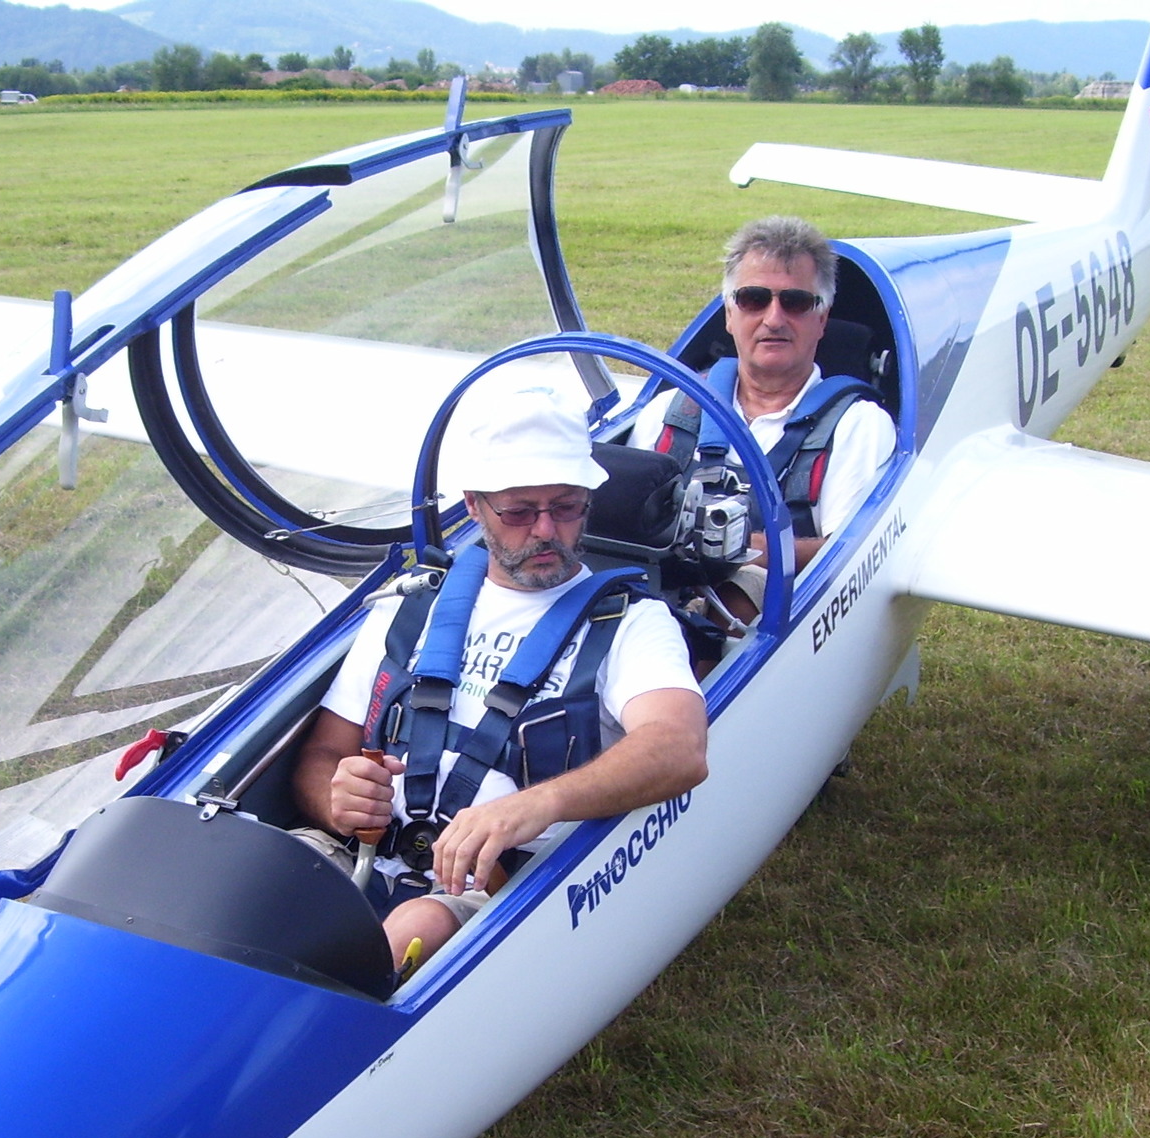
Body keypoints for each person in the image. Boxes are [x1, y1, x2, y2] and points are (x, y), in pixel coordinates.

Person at [295, 386, 710, 973]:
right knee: (243, 887)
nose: (545, 530)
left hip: (486, 886)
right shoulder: (408, 609)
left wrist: (533, 807)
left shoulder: (633, 625)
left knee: (406, 936)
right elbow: (322, 757)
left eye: (565, 507)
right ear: (473, 506)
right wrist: (337, 801)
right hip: (354, 853)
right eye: (518, 512)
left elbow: (680, 748)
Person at [629, 214, 897, 622]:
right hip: (651, 601)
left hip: (762, 615)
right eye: (754, 299)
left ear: (821, 319)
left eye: (796, 302)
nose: (774, 318)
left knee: (741, 593)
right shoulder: (671, 411)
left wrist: (738, 546)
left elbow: (847, 554)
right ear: (729, 315)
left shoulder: (857, 426)